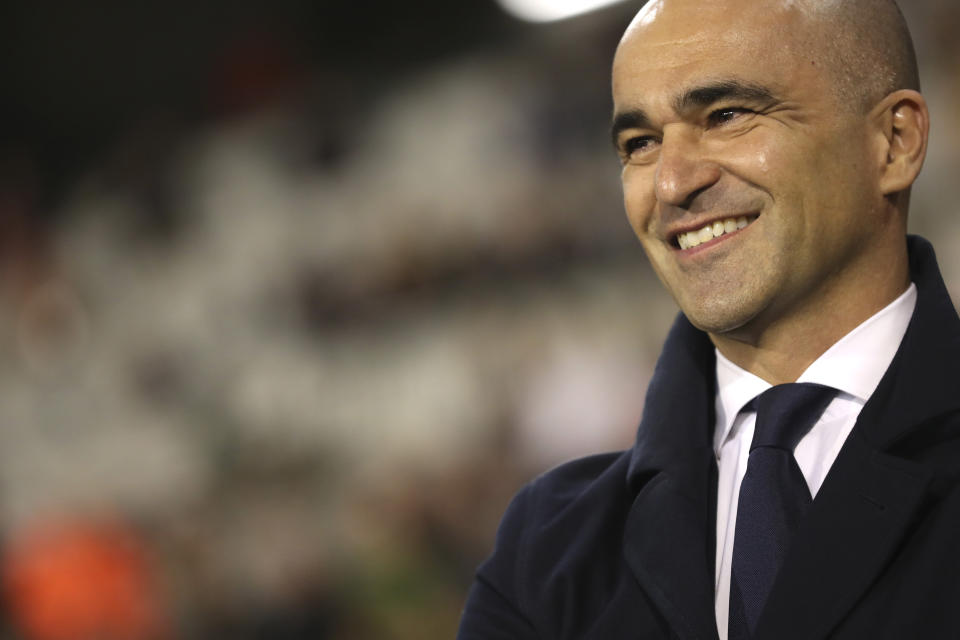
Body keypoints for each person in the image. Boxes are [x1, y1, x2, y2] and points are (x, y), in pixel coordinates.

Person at [458, 0, 960, 637]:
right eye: (640, 144)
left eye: (726, 116)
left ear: (894, 142)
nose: (670, 184)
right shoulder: (548, 553)